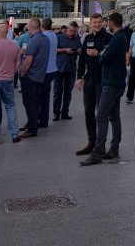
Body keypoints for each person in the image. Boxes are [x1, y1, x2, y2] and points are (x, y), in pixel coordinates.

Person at [81, 11, 128, 165]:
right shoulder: (118, 37)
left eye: (104, 21)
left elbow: (104, 57)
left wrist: (99, 53)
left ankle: (97, 151)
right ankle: (113, 149)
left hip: (110, 82)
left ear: (110, 23)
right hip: (113, 81)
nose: (102, 24)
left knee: (101, 116)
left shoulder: (115, 38)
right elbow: (84, 58)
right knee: (113, 116)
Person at [75, 12, 112, 156]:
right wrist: (79, 77)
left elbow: (110, 58)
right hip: (89, 79)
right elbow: (82, 60)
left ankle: (101, 145)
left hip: (102, 79)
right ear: (90, 23)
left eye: (99, 22)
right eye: (94, 22)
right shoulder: (88, 38)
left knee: (101, 113)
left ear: (103, 23)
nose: (96, 25)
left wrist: (99, 53)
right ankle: (91, 142)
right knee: (88, 111)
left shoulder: (108, 38)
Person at [18, 17, 49, 138]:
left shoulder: (34, 40)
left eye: (28, 26)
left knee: (30, 102)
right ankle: (31, 123)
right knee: (35, 102)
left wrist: (22, 74)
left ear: (31, 27)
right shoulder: (45, 39)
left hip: (31, 76)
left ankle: (31, 128)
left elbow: (28, 61)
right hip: (40, 75)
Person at [53, 21, 81, 120]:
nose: (72, 33)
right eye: (70, 30)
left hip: (71, 69)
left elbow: (80, 50)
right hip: (59, 68)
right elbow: (53, 50)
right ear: (67, 29)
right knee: (57, 92)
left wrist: (78, 51)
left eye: (74, 31)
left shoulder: (77, 39)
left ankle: (65, 113)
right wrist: (65, 50)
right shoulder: (59, 37)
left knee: (68, 92)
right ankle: (56, 113)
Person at [38, 17, 58, 129]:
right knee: (45, 97)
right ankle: (44, 120)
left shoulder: (44, 37)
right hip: (52, 69)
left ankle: (41, 119)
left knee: (40, 97)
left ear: (42, 26)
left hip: (44, 70)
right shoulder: (54, 35)